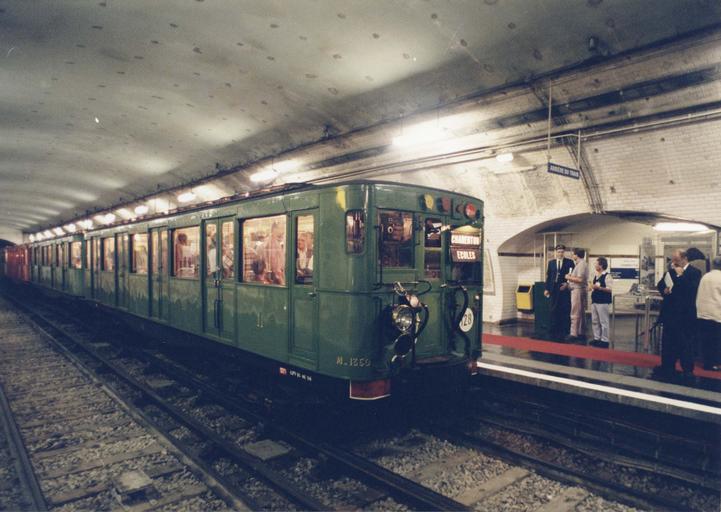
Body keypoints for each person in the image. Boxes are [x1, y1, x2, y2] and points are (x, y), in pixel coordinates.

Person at [652, 249, 702, 382]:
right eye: (673, 259)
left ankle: (687, 370)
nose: (673, 262)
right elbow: (661, 284)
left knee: (685, 343)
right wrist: (664, 290)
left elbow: (691, 290)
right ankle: (667, 366)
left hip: (685, 316)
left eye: (676, 259)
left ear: (684, 258)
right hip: (670, 314)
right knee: (668, 342)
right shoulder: (670, 271)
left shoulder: (694, 272)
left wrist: (680, 276)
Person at [544, 244, 575, 341]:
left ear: (564, 252)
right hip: (554, 289)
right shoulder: (551, 263)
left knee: (565, 309)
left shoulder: (569, 262)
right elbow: (548, 277)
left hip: (564, 288)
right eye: (558, 252)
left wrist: (567, 284)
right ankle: (553, 329)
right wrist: (546, 289)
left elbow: (572, 275)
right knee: (553, 309)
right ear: (555, 252)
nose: (560, 253)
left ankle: (565, 330)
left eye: (562, 252)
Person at [697, 256, 721, 371]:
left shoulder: (705, 277)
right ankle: (715, 363)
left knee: (706, 340)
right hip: (716, 314)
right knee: (716, 341)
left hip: (703, 313)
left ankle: (707, 362)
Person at [565, 248, 589, 341]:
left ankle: (573, 333)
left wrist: (568, 277)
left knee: (575, 312)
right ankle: (580, 332)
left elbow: (580, 279)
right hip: (578, 290)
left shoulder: (581, 264)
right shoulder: (580, 264)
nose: (572, 256)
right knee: (580, 312)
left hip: (577, 290)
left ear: (576, 255)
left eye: (573, 254)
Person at [589, 257, 613, 348]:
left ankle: (605, 340)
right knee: (595, 320)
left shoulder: (607, 276)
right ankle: (596, 338)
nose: (595, 265)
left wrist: (599, 288)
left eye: (596, 264)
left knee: (604, 321)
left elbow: (609, 289)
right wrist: (591, 287)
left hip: (603, 302)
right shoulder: (595, 276)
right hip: (595, 301)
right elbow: (593, 287)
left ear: (601, 265)